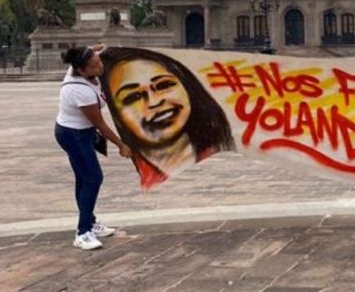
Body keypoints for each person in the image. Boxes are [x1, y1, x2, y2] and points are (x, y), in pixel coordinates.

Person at [100, 48, 236, 189]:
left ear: (188, 88)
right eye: (133, 97)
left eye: (164, 85)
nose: (154, 102)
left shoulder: (223, 147)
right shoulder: (139, 178)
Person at [55, 44, 132, 251]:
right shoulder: (79, 90)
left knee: (83, 177)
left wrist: (96, 48)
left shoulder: (81, 65)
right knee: (93, 178)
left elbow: (90, 51)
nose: (100, 66)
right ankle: (83, 232)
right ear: (82, 71)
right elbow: (100, 123)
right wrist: (121, 145)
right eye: (95, 65)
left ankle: (90, 221)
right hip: (72, 135)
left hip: (83, 132)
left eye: (99, 61)